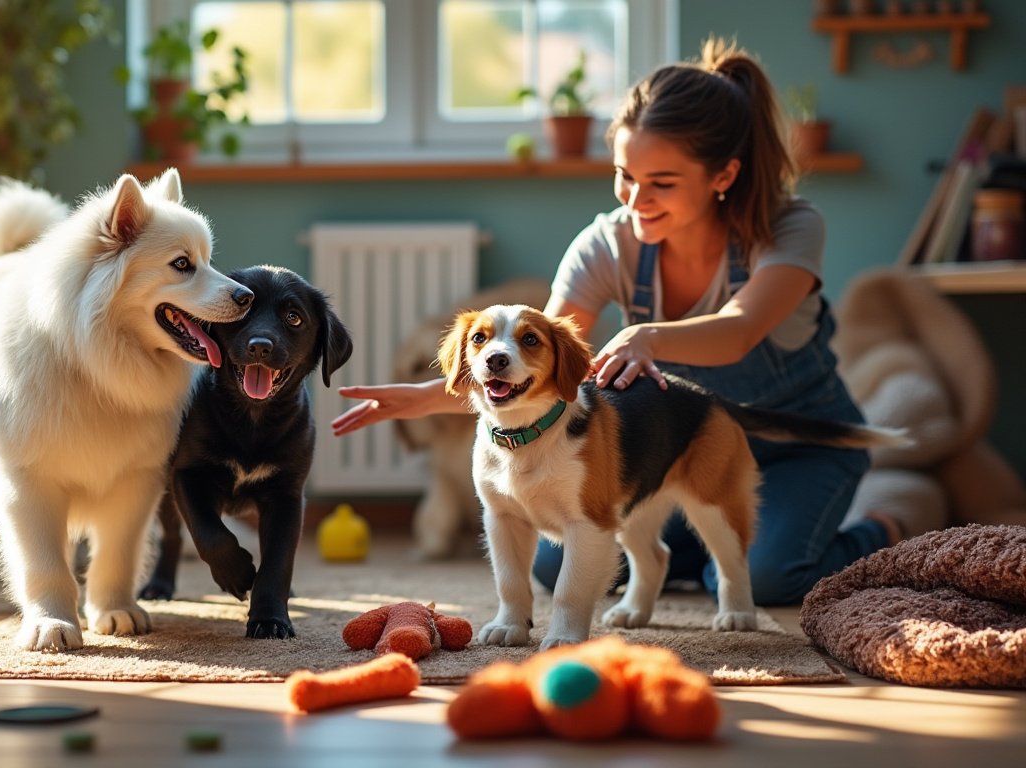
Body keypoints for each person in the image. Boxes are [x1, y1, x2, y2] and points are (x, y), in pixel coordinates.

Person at [331, 38, 938, 606]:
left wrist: (646, 333)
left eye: (662, 183)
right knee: (557, 562)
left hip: (792, 444)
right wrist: (422, 397)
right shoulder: (605, 244)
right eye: (625, 174)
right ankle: (695, 555)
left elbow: (742, 328)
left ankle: (888, 521)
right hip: (673, 451)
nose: (635, 198)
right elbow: (538, 369)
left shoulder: (791, 227)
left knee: (775, 577)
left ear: (723, 175)